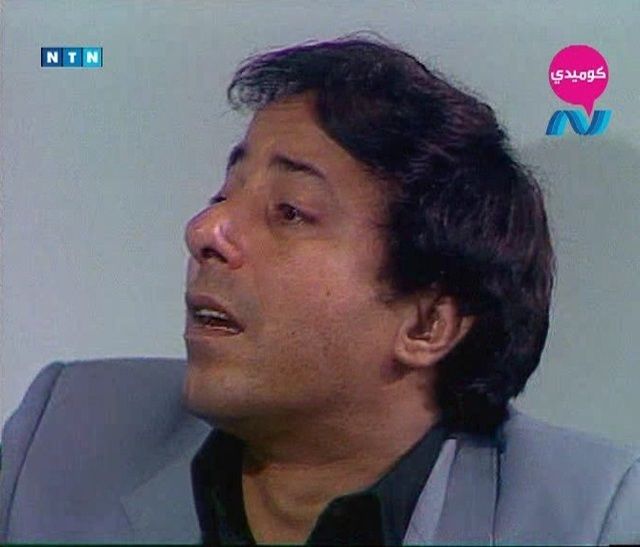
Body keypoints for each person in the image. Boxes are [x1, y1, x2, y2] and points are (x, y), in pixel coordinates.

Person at [1, 36, 639, 545]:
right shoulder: (64, 429)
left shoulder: (591, 518)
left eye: (289, 211)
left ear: (427, 325)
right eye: (223, 194)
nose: (204, 231)